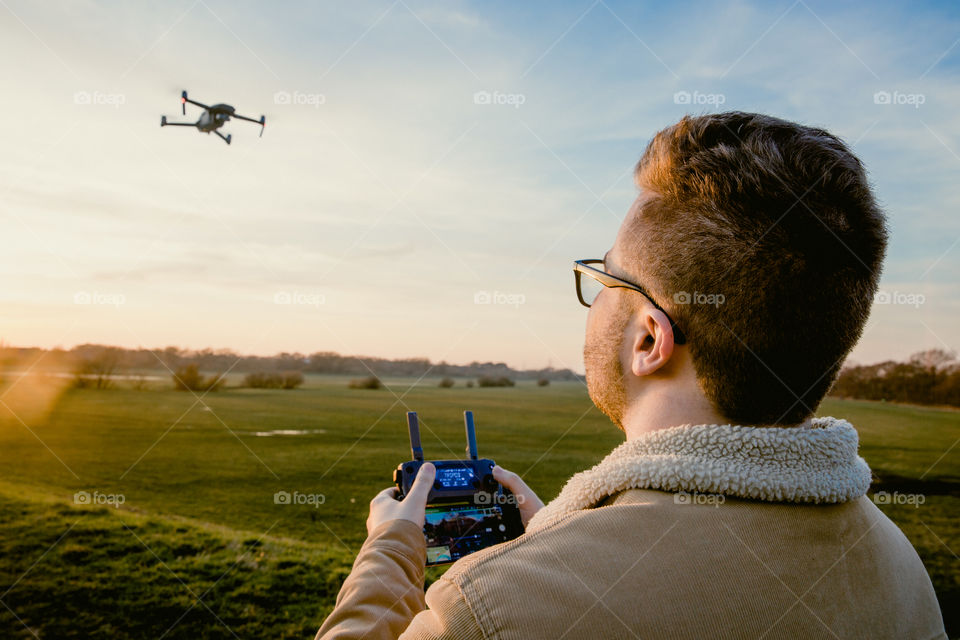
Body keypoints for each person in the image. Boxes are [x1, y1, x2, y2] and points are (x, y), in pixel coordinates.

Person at [315, 112, 946, 639]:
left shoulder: (496, 611)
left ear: (650, 338)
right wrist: (563, 539)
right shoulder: (898, 564)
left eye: (605, 277)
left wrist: (391, 552)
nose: (594, 300)